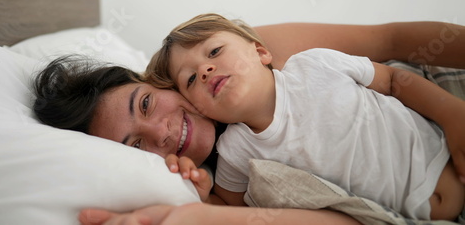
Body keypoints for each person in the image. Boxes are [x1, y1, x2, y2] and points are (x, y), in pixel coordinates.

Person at [32, 19, 465, 225]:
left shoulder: (252, 59)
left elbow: (389, 45)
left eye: (146, 104)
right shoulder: (236, 161)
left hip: (436, 102)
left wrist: (454, 114)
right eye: (135, 146)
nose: (162, 133)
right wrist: (191, 208)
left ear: (153, 81)